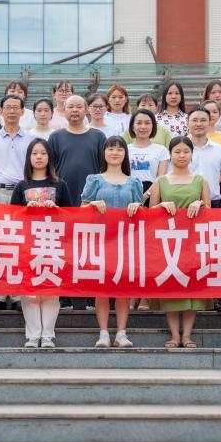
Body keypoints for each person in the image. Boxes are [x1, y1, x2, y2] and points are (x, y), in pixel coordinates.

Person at [82, 136, 144, 348]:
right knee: (102, 288)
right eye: (110, 148)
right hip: (101, 241)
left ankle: (121, 333)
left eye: (119, 149)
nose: (115, 152)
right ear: (104, 153)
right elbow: (80, 209)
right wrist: (92, 205)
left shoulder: (133, 182)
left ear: (125, 153)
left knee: (122, 289)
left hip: (126, 242)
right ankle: (103, 333)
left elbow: (142, 214)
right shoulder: (95, 180)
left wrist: (138, 207)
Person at [149, 136, 211, 348]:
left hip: (193, 241)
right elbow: (150, 212)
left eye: (186, 151)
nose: (182, 155)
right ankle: (175, 335)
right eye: (177, 151)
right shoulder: (160, 181)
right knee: (172, 287)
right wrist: (161, 206)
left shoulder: (201, 180)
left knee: (191, 288)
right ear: (170, 154)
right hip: (168, 241)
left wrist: (199, 203)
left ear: (192, 154)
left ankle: (187, 335)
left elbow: (211, 212)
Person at [11, 139, 72, 347]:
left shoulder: (60, 184)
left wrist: (56, 209)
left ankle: (48, 335)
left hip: (53, 244)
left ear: (50, 158)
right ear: (29, 157)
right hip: (28, 244)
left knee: (51, 290)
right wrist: (25, 210)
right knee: (29, 291)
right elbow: (11, 216)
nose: (39, 157)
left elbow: (71, 216)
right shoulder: (21, 186)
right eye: (35, 153)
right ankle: (33, 335)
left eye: (43, 153)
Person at [0, 94, 32, 311]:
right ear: (1, 111)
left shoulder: (30, 138)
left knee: (21, 245)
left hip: (22, 193)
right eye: (7, 107)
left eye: (15, 107)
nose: (11, 111)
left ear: (22, 111)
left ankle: (18, 294)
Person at [48, 95, 106, 208]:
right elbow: (50, 168)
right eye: (70, 107)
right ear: (64, 111)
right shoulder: (55, 137)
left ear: (86, 110)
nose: (74, 110)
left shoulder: (99, 136)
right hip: (62, 195)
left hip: (92, 197)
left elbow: (105, 168)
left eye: (79, 107)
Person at [185, 107, 221, 208]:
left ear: (209, 123)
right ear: (187, 123)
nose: (199, 124)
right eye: (194, 120)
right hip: (185, 203)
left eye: (203, 120)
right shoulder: (179, 151)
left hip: (214, 203)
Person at [127, 108, 169, 195]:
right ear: (132, 127)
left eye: (147, 123)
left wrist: (146, 195)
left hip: (153, 195)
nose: (143, 127)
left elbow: (161, 179)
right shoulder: (125, 149)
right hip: (128, 193)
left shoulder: (161, 150)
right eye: (139, 123)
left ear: (153, 126)